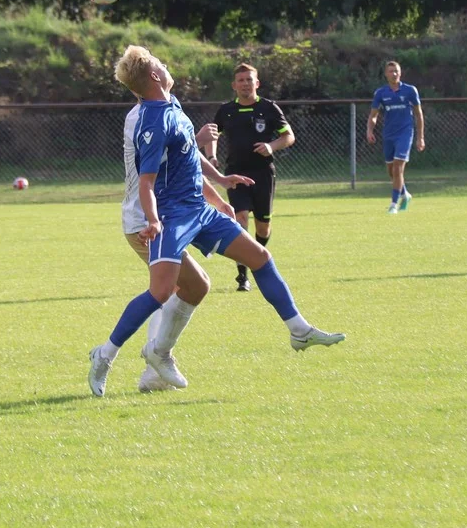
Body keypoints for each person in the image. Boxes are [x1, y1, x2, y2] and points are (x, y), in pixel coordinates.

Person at [88, 46, 345, 397]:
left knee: (256, 258)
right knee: (162, 291)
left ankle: (298, 329)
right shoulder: (148, 120)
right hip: (168, 217)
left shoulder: (171, 104)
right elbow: (147, 182)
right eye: (161, 63)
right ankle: (106, 354)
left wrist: (220, 185)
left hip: (196, 208)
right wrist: (153, 220)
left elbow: (188, 156)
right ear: (153, 76)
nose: (166, 65)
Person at [121, 103, 230, 393]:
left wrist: (217, 197)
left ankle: (152, 367)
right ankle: (144, 365)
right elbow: (156, 162)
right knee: (171, 288)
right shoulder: (140, 116)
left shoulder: (170, 106)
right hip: (146, 220)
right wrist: (197, 139)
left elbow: (185, 165)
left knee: (178, 288)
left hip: (168, 216)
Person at [208, 63, 294, 292]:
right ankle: (242, 275)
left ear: (257, 83)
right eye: (241, 80)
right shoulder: (226, 110)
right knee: (241, 219)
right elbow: (212, 134)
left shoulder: (269, 108)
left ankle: (258, 259)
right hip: (235, 173)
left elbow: (288, 136)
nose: (245, 83)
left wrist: (271, 145)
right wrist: (212, 155)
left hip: (263, 174)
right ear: (234, 85)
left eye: (249, 80)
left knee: (263, 227)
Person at [366, 61, 426, 214]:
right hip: (388, 134)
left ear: (400, 73)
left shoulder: (410, 90)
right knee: (391, 171)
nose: (394, 74)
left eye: (396, 71)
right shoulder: (380, 93)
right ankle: (405, 194)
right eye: (391, 71)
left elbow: (419, 115)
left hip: (405, 133)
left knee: (398, 166)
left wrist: (420, 137)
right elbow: (374, 115)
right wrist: (370, 130)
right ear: (386, 74)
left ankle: (393, 204)